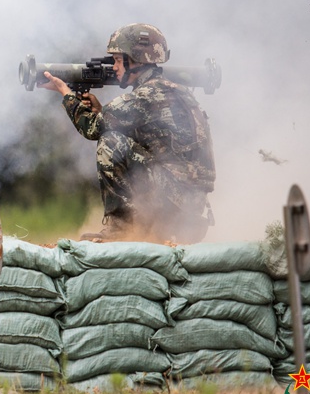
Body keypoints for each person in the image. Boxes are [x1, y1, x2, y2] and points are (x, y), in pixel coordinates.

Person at [39, 23, 215, 243]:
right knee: (118, 137)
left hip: (176, 196)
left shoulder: (146, 94)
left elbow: (91, 128)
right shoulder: (173, 90)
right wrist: (102, 112)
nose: (114, 67)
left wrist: (65, 92)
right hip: (189, 201)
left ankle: (121, 229)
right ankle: (154, 228)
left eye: (119, 60)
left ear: (136, 60)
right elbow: (151, 140)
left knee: (110, 143)